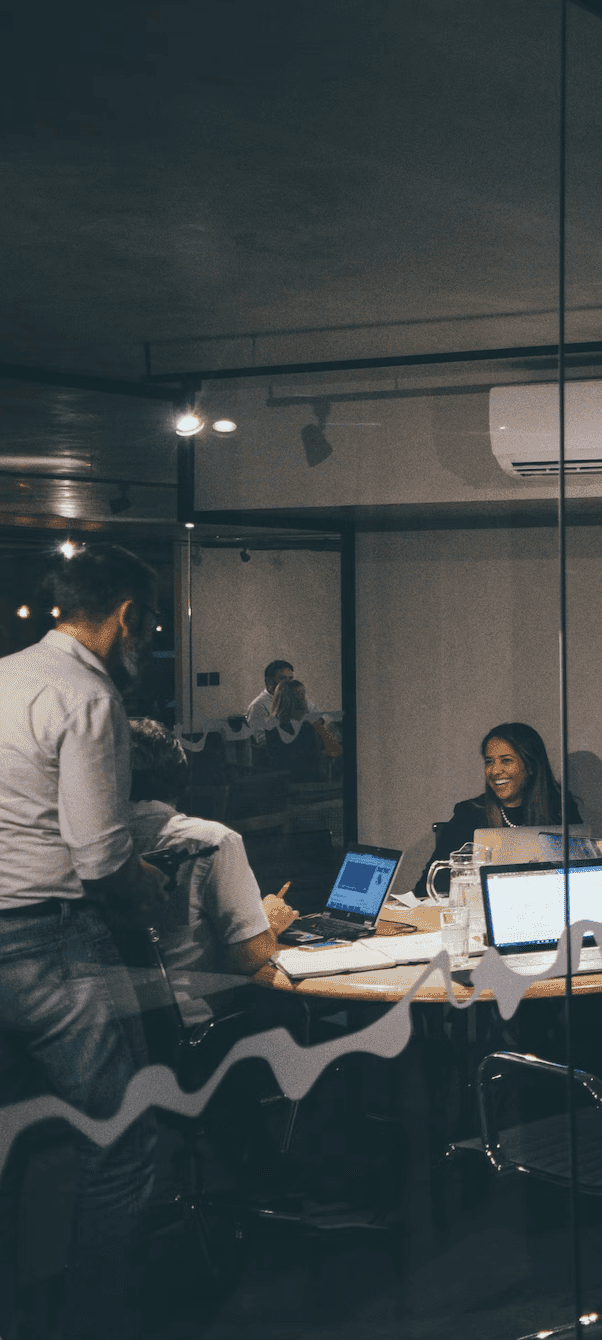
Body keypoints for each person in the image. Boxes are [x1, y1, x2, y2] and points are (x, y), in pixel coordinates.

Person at [0, 543, 168, 1334]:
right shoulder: (86, 696)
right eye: (151, 626)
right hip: (49, 942)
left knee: (15, 1141)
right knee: (124, 1139)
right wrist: (152, 888)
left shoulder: (4, 675)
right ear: (126, 617)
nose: (151, 642)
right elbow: (100, 858)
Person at [127, 718, 288, 1028]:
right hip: (196, 1024)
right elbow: (247, 957)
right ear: (179, 775)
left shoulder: (78, 845)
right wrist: (270, 923)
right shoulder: (210, 841)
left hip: (113, 1029)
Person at [413, 722, 582, 898]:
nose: (494, 770)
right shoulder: (469, 813)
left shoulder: (561, 810)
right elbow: (426, 887)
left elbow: (580, 882)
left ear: (530, 766)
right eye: (489, 762)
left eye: (506, 761)